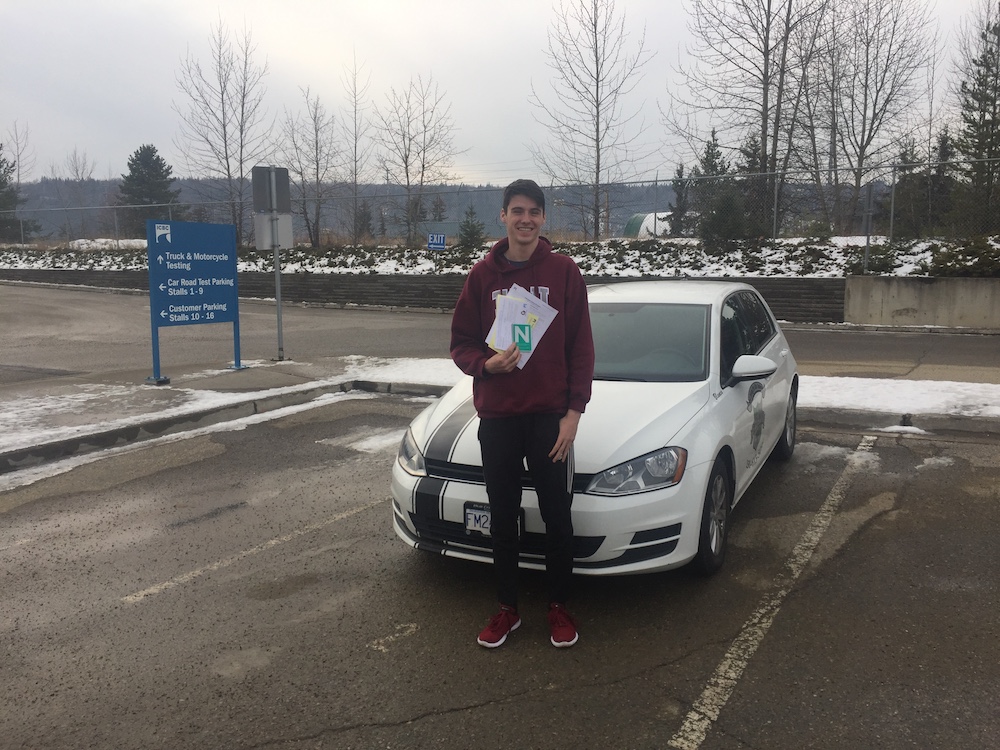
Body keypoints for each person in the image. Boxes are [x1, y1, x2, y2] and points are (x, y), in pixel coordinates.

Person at [450, 179, 595, 649]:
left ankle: (558, 606)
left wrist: (573, 413)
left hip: (549, 419)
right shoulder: (481, 276)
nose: (525, 219)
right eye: (517, 211)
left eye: (534, 211)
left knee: (556, 514)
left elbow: (581, 349)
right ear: (503, 216)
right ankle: (507, 608)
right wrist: (485, 365)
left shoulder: (564, 272)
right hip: (499, 418)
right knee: (503, 515)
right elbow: (461, 343)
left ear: (543, 218)